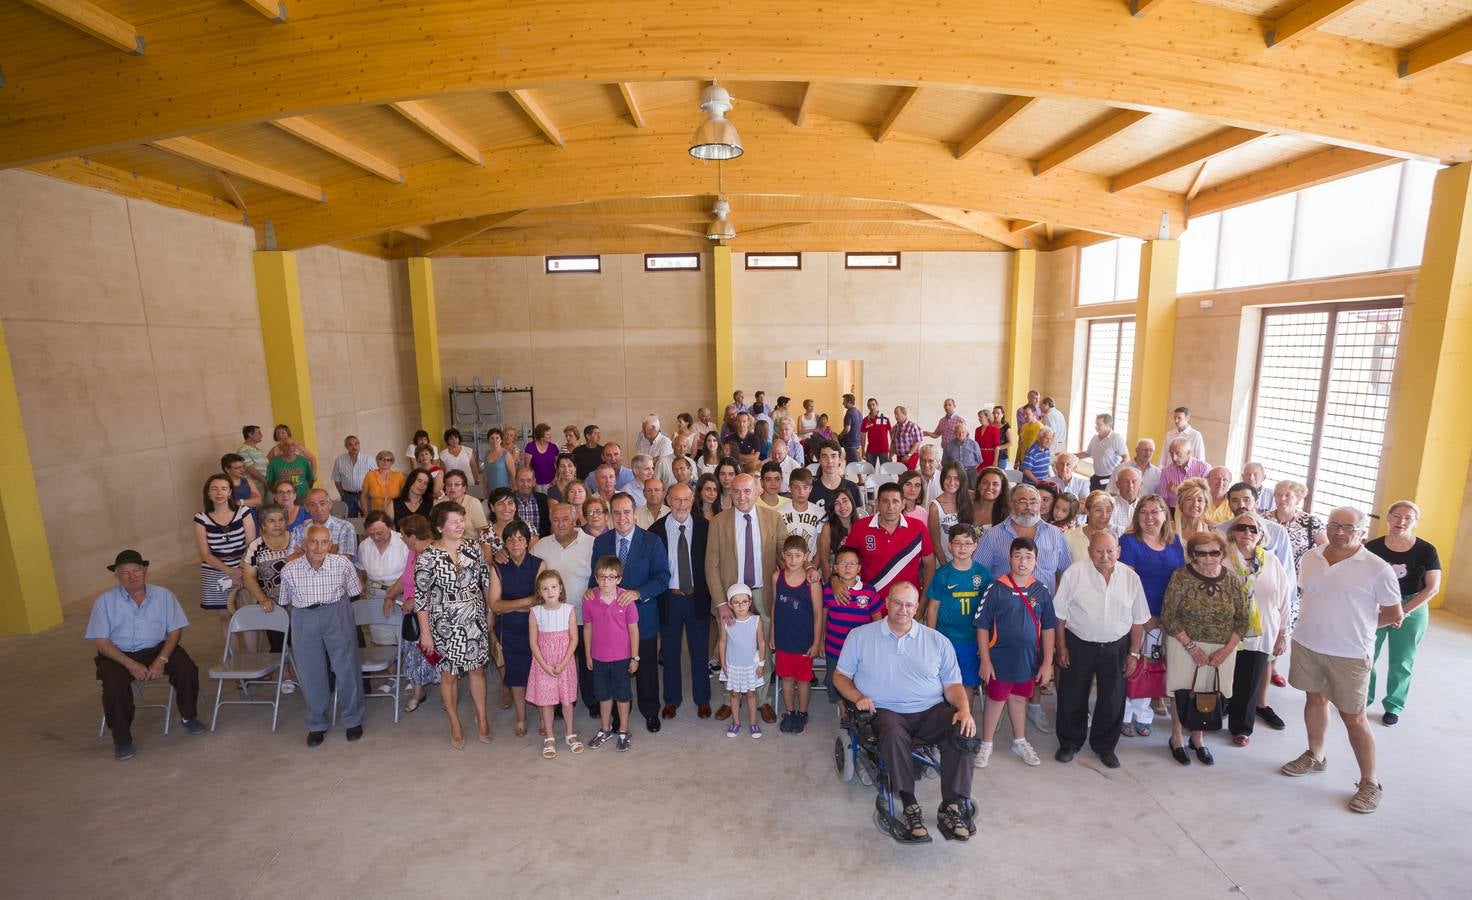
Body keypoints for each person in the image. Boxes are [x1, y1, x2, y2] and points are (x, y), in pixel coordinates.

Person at [834, 582, 978, 844]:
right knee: (890, 731)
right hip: (885, 711)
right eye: (897, 603)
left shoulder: (937, 641)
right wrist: (857, 697)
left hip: (931, 710)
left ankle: (952, 806)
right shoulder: (860, 636)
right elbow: (840, 676)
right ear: (887, 603)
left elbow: (953, 685)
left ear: (916, 608)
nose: (903, 609)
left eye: (909, 604)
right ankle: (910, 805)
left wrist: (965, 710)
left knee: (962, 728)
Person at [1282, 507, 1402, 814]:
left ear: (1362, 532)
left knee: (1354, 717)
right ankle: (1315, 755)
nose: (1339, 531)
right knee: (1315, 700)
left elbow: (1393, 614)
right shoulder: (1312, 557)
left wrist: (1360, 626)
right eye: (1334, 524)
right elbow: (1308, 594)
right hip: (1308, 643)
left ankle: (1370, 783)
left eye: (1349, 527)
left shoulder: (1377, 568)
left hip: (1350, 654)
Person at [87, 550, 206, 760]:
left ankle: (189, 716)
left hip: (157, 647)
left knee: (187, 669)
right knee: (114, 688)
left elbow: (175, 631)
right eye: (125, 573)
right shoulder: (104, 602)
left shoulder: (164, 595)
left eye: (136, 570)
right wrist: (130, 664)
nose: (132, 576)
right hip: (118, 653)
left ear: (145, 571)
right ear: (117, 576)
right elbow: (101, 641)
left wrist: (161, 659)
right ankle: (122, 739)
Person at [1052, 532, 1148, 768]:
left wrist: (1133, 653)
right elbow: (1060, 615)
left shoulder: (1130, 578)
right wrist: (1061, 646)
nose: (1104, 556)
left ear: (1118, 551)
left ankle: (1105, 746)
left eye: (1110, 550)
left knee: (1113, 699)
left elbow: (1138, 620)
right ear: (1089, 551)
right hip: (1078, 643)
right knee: (1072, 695)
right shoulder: (1074, 573)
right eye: (1098, 550)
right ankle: (1069, 743)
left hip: (1116, 646)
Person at [1161, 531, 1250, 767]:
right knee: (1182, 691)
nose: (1209, 558)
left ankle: (1198, 738)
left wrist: (1226, 650)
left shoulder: (1231, 580)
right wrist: (1191, 646)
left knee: (1209, 693)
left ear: (1222, 554)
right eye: (1202, 553)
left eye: (1215, 552)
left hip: (1222, 648)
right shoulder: (1180, 576)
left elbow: (1243, 619)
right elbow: (1169, 617)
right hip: (1184, 644)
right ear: (1192, 554)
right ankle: (1177, 737)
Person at [705, 473, 785, 722]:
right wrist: (720, 604)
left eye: (747, 491)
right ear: (730, 493)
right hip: (730, 599)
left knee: (763, 649)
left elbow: (786, 550)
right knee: (730, 650)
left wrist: (809, 568)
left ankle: (761, 701)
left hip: (763, 593)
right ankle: (733, 699)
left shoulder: (774, 518)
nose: (742, 497)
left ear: (758, 490)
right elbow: (711, 565)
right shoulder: (718, 522)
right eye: (736, 492)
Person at [588, 493, 670, 733]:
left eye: (626, 512)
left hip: (642, 617)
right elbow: (595, 576)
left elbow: (663, 577)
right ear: (610, 516)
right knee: (613, 670)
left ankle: (650, 711)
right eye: (616, 512)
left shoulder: (651, 541)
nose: (622, 517)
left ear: (635, 513)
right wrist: (589, 591)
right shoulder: (601, 543)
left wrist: (637, 593)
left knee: (645, 669)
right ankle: (616, 715)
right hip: (609, 624)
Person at [413, 501, 492, 748]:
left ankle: (481, 717)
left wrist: (490, 612)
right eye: (454, 521)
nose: (461, 525)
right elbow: (420, 598)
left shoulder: (473, 548)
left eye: (462, 520)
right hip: (444, 622)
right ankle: (455, 723)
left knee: (477, 669)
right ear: (440, 527)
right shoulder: (427, 556)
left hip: (474, 615)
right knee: (449, 675)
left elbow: (485, 580)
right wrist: (425, 633)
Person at [279, 525, 366, 747]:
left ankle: (353, 719)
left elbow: (355, 591)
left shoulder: (343, 564)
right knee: (311, 672)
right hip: (303, 617)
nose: (319, 547)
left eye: (324, 542)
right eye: (313, 542)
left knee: (346, 667)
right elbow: (286, 600)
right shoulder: (289, 569)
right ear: (304, 544)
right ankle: (317, 723)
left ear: (331, 544)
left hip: (336, 613)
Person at [974, 538, 1057, 768]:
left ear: (1036, 561)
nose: (1023, 561)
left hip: (1028, 660)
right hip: (999, 660)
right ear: (1009, 558)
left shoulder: (1041, 591)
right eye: (1018, 555)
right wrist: (986, 660)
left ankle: (1019, 741)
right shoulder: (996, 588)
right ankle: (987, 743)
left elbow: (1049, 627)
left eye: (1028, 557)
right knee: (995, 700)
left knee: (1020, 699)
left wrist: (1047, 662)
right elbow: (982, 626)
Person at [1364, 500, 1441, 726]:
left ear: (1415, 522)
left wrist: (1402, 612)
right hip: (1376, 606)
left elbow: (1432, 587)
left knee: (1402, 660)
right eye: (1397, 516)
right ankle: (1362, 700)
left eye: (1408, 518)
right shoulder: (1373, 547)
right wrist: (1380, 609)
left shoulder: (1426, 550)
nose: (1401, 522)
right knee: (1367, 655)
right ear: (1388, 518)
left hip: (1412, 606)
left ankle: (1393, 706)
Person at [1222, 512, 1293, 746]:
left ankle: (1241, 728)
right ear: (1232, 531)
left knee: (1249, 682)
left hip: (1262, 633)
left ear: (1261, 535)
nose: (1247, 533)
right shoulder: (1222, 559)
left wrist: (1283, 633)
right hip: (1226, 633)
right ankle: (1213, 716)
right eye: (1241, 528)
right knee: (1223, 678)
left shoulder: (1271, 562)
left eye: (1253, 529)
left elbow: (1284, 600)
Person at [1118, 495, 1184, 737]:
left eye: (1155, 512)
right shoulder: (1129, 541)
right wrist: (1144, 618)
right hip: (1136, 618)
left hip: (1165, 618)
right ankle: (1125, 713)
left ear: (1165, 514)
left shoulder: (1175, 542)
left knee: (1152, 668)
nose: (1149, 517)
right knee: (1132, 666)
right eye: (1144, 512)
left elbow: (1180, 580)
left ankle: (1142, 713)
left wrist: (1169, 617)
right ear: (1137, 517)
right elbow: (1127, 584)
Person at [651, 483, 712, 719]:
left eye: (686, 499)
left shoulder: (705, 527)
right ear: (668, 500)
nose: (682, 505)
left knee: (699, 651)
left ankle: (702, 699)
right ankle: (672, 700)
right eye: (676, 499)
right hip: (670, 599)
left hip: (698, 597)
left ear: (692, 500)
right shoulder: (656, 530)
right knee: (670, 652)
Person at [841, 483, 934, 616]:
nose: (890, 507)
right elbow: (846, 562)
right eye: (885, 501)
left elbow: (930, 567)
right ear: (877, 503)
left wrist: (922, 604)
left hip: (906, 608)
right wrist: (835, 580)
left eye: (895, 501)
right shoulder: (861, 527)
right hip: (869, 608)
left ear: (903, 503)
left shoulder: (918, 528)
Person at [491, 520, 547, 738]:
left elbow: (542, 599)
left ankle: (543, 717)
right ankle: (521, 718)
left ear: (527, 542)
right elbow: (495, 604)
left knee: (540, 673)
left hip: (537, 627)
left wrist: (511, 606)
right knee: (515, 676)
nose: (515, 542)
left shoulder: (539, 564)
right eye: (510, 539)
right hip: (510, 630)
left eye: (520, 538)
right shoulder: (497, 567)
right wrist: (526, 602)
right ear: (504, 543)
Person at [583, 555, 640, 752]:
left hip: (622, 658)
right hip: (599, 657)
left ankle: (624, 730)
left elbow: (633, 630)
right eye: (602, 577)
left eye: (611, 577)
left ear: (619, 579)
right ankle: (605, 729)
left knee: (623, 696)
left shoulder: (626, 600)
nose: (606, 581)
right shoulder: (589, 600)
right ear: (596, 578)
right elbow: (587, 629)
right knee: (603, 695)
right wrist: (588, 655)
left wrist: (635, 657)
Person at [925, 525, 989, 696]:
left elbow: (988, 611)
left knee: (968, 682)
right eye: (958, 543)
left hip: (971, 639)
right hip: (945, 638)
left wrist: (985, 642)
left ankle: (965, 720)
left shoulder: (983, 574)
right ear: (949, 546)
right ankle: (946, 720)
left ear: (975, 546)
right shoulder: (942, 574)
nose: (962, 548)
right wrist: (932, 638)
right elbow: (933, 607)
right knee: (943, 682)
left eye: (968, 543)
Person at [525, 569, 582, 757]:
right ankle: (549, 737)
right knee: (546, 701)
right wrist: (544, 665)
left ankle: (570, 733)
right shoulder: (535, 612)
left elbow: (574, 639)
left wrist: (565, 662)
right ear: (539, 592)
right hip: (544, 664)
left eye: (553, 587)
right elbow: (533, 642)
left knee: (567, 700)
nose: (550, 591)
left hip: (564, 662)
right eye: (545, 588)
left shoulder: (569, 610)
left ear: (560, 589)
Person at [194, 474, 256, 645]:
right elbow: (205, 554)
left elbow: (251, 545)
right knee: (225, 617)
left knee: (247, 616)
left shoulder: (243, 512)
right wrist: (231, 572)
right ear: (208, 493)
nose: (219, 492)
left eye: (223, 488)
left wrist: (242, 572)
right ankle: (234, 662)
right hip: (216, 571)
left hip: (243, 566)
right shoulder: (201, 518)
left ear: (230, 492)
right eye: (214, 489)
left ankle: (254, 662)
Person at [977, 483, 1072, 594]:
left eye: (1033, 502)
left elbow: (1067, 572)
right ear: (1011, 504)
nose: (1028, 507)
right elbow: (978, 573)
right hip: (1005, 607)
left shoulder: (1055, 534)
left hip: (1045, 607)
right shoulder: (992, 535)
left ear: (1040, 504)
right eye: (1022, 501)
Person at [772, 536, 823, 733]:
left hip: (804, 640)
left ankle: (802, 713)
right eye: (789, 556)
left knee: (802, 680)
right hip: (784, 639)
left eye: (797, 556)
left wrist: (817, 641)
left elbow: (818, 614)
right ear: (783, 556)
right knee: (786, 678)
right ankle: (790, 712)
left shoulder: (812, 582)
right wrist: (772, 635)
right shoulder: (777, 577)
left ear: (805, 556)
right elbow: (775, 606)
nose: (793, 560)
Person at [388, 514, 439, 713]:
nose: (401, 539)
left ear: (412, 536)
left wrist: (416, 601)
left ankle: (446, 690)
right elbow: (405, 578)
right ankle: (418, 691)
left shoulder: (436, 552)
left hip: (434, 613)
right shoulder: (412, 552)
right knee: (414, 653)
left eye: (402, 535)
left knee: (436, 654)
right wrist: (389, 596)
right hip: (412, 615)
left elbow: (439, 588)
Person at [241, 505, 294, 659]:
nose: (277, 524)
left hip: (299, 601)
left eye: (281, 520)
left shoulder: (296, 540)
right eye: (271, 521)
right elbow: (248, 577)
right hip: (272, 602)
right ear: (263, 524)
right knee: (278, 641)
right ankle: (285, 675)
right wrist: (263, 599)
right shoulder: (256, 546)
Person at [719, 584, 766, 738]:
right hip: (733, 666)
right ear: (730, 604)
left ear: (750, 601)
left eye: (744, 601)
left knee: (751, 694)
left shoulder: (756, 620)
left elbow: (762, 643)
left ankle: (753, 723)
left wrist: (761, 663)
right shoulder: (726, 622)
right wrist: (723, 663)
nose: (741, 606)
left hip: (751, 666)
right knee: (734, 694)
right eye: (736, 602)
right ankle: (736, 722)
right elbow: (722, 643)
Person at [357, 510, 409, 647]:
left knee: (403, 637)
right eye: (372, 534)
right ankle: (390, 668)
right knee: (381, 639)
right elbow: (361, 569)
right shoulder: (364, 545)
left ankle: (402, 667)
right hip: (375, 595)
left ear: (390, 527)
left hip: (400, 592)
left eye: (380, 532)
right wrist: (361, 584)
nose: (376, 537)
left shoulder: (402, 542)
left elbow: (410, 573)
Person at [290, 488, 358, 563]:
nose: (319, 509)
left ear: (330, 504)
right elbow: (290, 560)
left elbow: (345, 561)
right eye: (312, 505)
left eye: (322, 504)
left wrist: (306, 552)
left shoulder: (345, 527)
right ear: (307, 508)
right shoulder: (299, 530)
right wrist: (331, 550)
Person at [927, 462, 972, 565]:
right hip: (945, 562)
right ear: (942, 479)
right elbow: (936, 543)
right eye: (948, 477)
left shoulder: (968, 500)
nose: (952, 482)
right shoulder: (935, 507)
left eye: (956, 478)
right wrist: (946, 567)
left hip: (966, 562)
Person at [809, 440, 862, 517]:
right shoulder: (811, 489)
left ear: (839, 459)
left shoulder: (852, 488)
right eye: (824, 457)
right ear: (819, 460)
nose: (829, 461)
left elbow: (857, 520)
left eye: (833, 456)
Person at [1079, 413, 1127, 491]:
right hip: (1097, 477)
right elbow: (1086, 453)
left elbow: (1126, 458)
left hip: (1110, 478)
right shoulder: (1095, 438)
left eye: (1099, 424)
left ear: (1108, 425)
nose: (1096, 427)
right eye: (1096, 424)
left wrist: (1116, 473)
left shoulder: (1116, 438)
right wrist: (1069, 456)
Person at [816, 489, 857, 579]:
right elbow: (824, 559)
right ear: (832, 508)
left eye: (845, 501)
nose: (842, 506)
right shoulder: (828, 527)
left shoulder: (861, 524)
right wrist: (829, 584)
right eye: (836, 503)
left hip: (857, 576)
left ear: (852, 502)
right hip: (834, 576)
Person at [1159, 437, 1210, 509]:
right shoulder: (1166, 471)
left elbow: (1204, 495)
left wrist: (1178, 491)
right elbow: (1163, 499)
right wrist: (1169, 518)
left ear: (1189, 452)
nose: (1174, 458)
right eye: (1171, 453)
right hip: (1172, 510)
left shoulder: (1203, 468)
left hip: (1195, 509)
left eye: (1178, 453)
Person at [1063, 490, 1114, 561]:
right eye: (1098, 510)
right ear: (1087, 511)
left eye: (1108, 511)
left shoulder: (1113, 538)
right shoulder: (1069, 537)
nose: (1104, 516)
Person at [331, 436, 374, 518]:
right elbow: (337, 480)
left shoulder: (368, 459)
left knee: (368, 519)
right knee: (350, 520)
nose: (354, 447)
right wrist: (343, 494)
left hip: (366, 495)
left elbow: (376, 478)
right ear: (346, 447)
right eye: (350, 445)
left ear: (359, 445)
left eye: (356, 444)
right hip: (348, 496)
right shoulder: (339, 460)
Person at [510, 466, 552, 537]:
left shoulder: (543, 499)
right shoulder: (509, 501)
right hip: (516, 543)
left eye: (529, 480)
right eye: (521, 480)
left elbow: (547, 526)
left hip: (539, 542)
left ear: (534, 482)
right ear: (516, 481)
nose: (525, 484)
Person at [362, 451, 405, 517]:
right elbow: (363, 496)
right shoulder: (370, 475)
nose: (385, 462)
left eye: (388, 460)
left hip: (395, 513)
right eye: (382, 459)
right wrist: (366, 513)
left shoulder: (399, 476)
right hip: (375, 513)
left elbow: (406, 495)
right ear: (377, 460)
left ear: (392, 462)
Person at [971, 467, 1009, 535]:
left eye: (995, 484)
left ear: (1001, 490)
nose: (990, 487)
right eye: (985, 483)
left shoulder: (1007, 514)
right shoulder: (966, 506)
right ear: (978, 486)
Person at [238, 425, 271, 496]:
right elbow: (251, 470)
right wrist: (266, 482)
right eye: (259, 433)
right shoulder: (243, 451)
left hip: (265, 484)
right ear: (250, 434)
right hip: (256, 486)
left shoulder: (257, 449)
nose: (262, 435)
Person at [523, 423, 558, 489]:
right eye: (548, 434)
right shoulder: (530, 447)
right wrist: (531, 480)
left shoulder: (553, 447)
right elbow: (527, 466)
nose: (550, 436)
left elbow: (558, 465)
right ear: (541, 437)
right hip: (535, 483)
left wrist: (556, 478)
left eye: (550, 434)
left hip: (551, 482)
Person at [1109, 466, 1143, 533]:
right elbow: (1108, 527)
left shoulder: (1144, 506)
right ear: (1117, 484)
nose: (1130, 486)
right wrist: (1134, 531)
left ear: (1140, 485)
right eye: (1126, 481)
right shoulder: (1109, 503)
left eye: (1134, 482)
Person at [860, 397, 892, 466]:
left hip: (883, 449)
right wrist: (862, 450)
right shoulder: (865, 420)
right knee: (869, 472)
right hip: (871, 450)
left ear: (877, 405)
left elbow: (891, 433)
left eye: (873, 404)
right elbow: (863, 435)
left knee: (885, 472)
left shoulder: (885, 418)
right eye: (869, 405)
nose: (871, 407)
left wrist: (892, 450)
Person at [482, 428, 516, 493]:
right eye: (492, 438)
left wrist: (515, 489)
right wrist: (485, 489)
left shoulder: (506, 454)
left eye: (497, 438)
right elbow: (485, 474)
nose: (495, 440)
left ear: (501, 440)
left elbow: (513, 474)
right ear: (488, 440)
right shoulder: (487, 454)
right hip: (491, 491)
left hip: (504, 491)